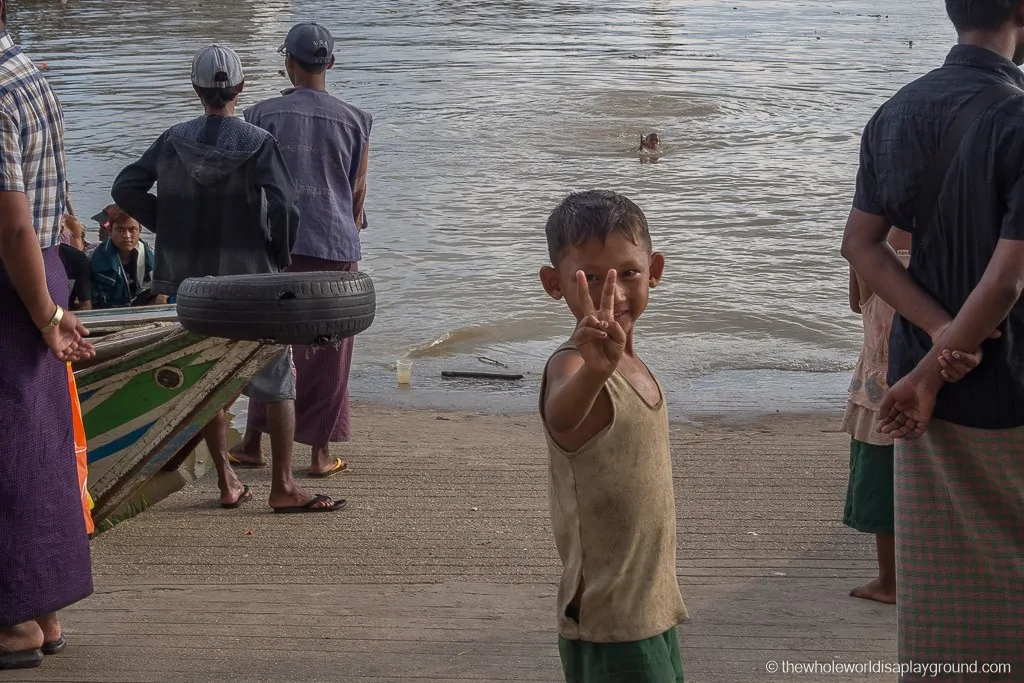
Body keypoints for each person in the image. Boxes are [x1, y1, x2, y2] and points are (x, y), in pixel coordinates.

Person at [841, 0, 1024, 674]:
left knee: (941, 580)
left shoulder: (895, 112)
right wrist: (942, 360)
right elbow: (1006, 281)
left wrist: (936, 339)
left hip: (921, 397)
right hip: (1006, 387)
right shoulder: (1018, 118)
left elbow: (862, 246)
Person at [111, 44, 344, 514]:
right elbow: (287, 206)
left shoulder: (173, 139)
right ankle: (283, 486)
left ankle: (226, 480)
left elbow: (125, 188)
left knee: (206, 377)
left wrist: (170, 225)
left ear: (197, 90)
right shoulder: (256, 141)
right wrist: (276, 253)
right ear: (238, 88)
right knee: (277, 379)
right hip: (251, 280)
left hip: (188, 283)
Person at [538, 190, 687, 683]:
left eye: (628, 273)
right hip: (610, 619)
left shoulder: (632, 361)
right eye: (590, 279)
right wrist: (592, 375)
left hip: (649, 605)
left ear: (656, 270)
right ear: (553, 284)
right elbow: (561, 416)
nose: (613, 293)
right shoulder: (575, 365)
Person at [0, 0, 95, 670]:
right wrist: (55, 305)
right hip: (42, 276)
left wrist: (43, 314)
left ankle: (13, 623)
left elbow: (11, 227)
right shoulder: (31, 73)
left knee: (10, 451)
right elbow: (56, 199)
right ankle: (46, 612)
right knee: (40, 443)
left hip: (13, 286)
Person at [232, 22, 372, 478]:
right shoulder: (356, 119)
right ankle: (318, 454)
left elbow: (249, 189)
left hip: (277, 246)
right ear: (329, 63)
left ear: (289, 63)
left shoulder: (258, 115)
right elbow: (357, 193)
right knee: (329, 348)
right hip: (334, 244)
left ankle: (253, 443)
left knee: (268, 342)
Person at [88, 209, 160, 308]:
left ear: (140, 230)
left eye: (132, 229)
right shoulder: (91, 257)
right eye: (120, 230)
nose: (127, 236)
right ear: (110, 231)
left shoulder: (154, 255)